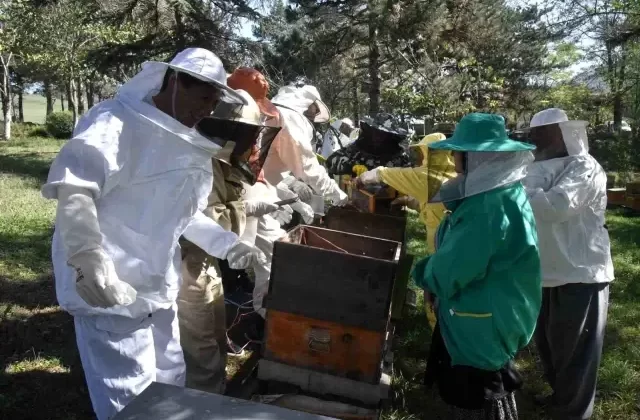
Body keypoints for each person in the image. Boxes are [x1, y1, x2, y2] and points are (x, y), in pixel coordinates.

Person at [41, 48, 265, 420]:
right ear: (175, 81)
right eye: (203, 97)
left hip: (158, 284)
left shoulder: (186, 142)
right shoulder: (116, 120)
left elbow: (184, 213)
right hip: (108, 286)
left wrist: (227, 244)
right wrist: (86, 259)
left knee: (170, 383)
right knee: (129, 398)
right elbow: (75, 188)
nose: (207, 109)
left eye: (214, 101)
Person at [412, 113, 541, 419]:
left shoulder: (487, 206)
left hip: (481, 316)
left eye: (458, 152)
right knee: (490, 382)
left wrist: (425, 277)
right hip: (496, 307)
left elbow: (453, 268)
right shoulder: (503, 193)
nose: (454, 158)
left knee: (479, 394)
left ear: (475, 157)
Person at [177, 90, 282, 394]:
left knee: (214, 333)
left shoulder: (217, 159)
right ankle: (201, 403)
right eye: (247, 132)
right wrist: (249, 210)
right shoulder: (195, 162)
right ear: (227, 128)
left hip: (204, 260)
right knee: (200, 346)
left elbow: (227, 205)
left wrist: (258, 205)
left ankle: (214, 395)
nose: (251, 141)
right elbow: (205, 219)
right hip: (184, 261)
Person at [228, 70, 347, 315]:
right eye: (314, 108)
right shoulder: (290, 119)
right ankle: (266, 317)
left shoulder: (274, 114)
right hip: (245, 193)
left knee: (258, 252)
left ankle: (255, 308)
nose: (315, 114)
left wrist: (288, 195)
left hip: (252, 188)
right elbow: (308, 167)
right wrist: (339, 195)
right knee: (272, 255)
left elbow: (268, 167)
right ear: (306, 104)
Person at [523, 108, 614, 420]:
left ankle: (573, 412)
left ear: (563, 134)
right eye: (533, 134)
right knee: (550, 346)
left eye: (542, 134)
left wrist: (520, 193)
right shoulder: (534, 167)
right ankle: (561, 398)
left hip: (581, 272)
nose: (535, 140)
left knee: (576, 352)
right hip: (545, 271)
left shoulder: (584, 167)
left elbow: (555, 206)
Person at [326, 113, 412, 177]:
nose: (378, 136)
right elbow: (331, 161)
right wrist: (352, 166)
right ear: (370, 132)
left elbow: (410, 175)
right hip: (359, 197)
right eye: (376, 132)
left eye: (383, 134)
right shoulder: (356, 149)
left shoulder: (399, 155)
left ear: (390, 136)